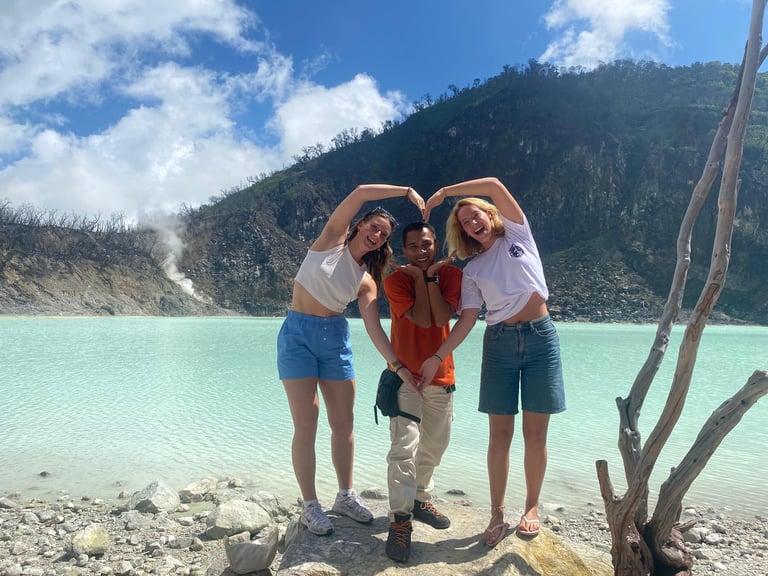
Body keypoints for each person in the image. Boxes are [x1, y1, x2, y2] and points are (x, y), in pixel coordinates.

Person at [419, 176, 565, 547]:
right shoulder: (473, 270)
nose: (473, 223)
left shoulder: (518, 234)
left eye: (476, 215)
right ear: (463, 232)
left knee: (536, 434)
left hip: (541, 339)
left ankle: (531, 508)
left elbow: (496, 185)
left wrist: (445, 192)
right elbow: (468, 318)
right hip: (499, 345)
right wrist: (437, 355)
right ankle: (497, 513)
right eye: (465, 222)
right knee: (499, 435)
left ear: (490, 214)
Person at [277, 184, 425, 536]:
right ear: (359, 225)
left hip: (335, 340)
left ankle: (345, 496)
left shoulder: (366, 281)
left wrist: (398, 366)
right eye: (374, 227)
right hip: (297, 336)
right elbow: (359, 193)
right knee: (306, 424)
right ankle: (310, 506)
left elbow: (374, 329)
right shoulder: (330, 241)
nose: (377, 235)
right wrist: (406, 192)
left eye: (383, 234)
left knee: (343, 425)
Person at [381, 221, 462, 563]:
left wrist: (429, 278)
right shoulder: (395, 281)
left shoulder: (452, 276)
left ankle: (420, 498)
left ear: (436, 243)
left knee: (435, 445)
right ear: (404, 250)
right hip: (405, 378)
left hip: (441, 377)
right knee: (404, 448)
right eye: (413, 246)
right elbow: (423, 320)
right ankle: (400, 520)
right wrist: (418, 277)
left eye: (426, 244)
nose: (421, 251)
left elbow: (442, 316)